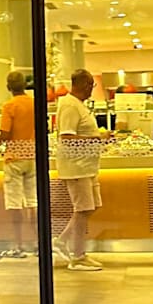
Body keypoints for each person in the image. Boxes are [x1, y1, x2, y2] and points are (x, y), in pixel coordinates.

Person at [55, 67, 103, 271]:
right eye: (91, 85)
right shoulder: (69, 105)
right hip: (76, 167)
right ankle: (78, 256)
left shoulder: (78, 105)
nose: (92, 89)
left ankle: (62, 241)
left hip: (87, 166)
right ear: (83, 85)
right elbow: (66, 137)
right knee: (82, 209)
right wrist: (97, 139)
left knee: (91, 207)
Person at [0, 70, 36, 258]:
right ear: (25, 85)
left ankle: (18, 245)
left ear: (8, 87)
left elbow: (5, 134)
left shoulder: (9, 106)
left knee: (14, 203)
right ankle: (38, 243)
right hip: (32, 156)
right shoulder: (34, 103)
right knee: (33, 201)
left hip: (14, 158)